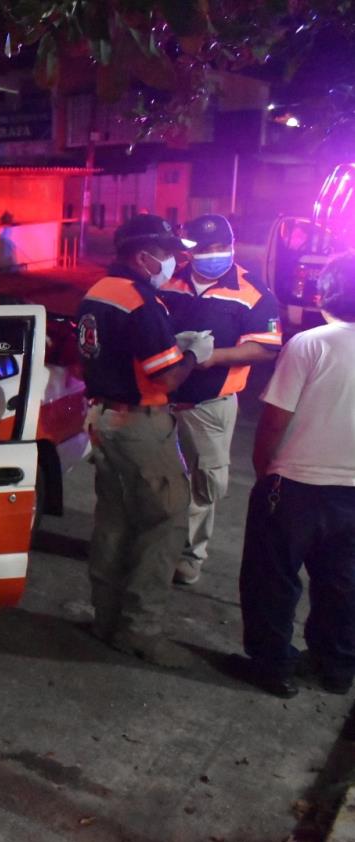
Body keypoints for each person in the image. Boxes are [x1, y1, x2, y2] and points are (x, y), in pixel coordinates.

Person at [76, 214, 211, 668]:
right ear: (143, 256)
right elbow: (167, 376)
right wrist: (195, 353)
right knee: (164, 523)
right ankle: (140, 632)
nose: (174, 261)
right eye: (168, 253)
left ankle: (105, 620)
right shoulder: (140, 301)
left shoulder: (98, 291)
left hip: (103, 418)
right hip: (139, 425)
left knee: (114, 520)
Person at [232, 253, 355, 699]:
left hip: (297, 485)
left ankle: (273, 665)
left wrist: (265, 472)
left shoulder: (310, 344)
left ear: (325, 293)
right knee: (343, 583)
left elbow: (274, 420)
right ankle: (337, 667)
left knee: (273, 579)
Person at [159, 214, 282, 586]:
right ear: (190, 251)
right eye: (206, 249)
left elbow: (265, 350)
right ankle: (157, 546)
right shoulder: (169, 282)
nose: (215, 255)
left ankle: (189, 556)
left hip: (211, 405)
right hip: (159, 398)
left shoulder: (254, 291)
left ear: (232, 245)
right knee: (158, 479)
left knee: (205, 483)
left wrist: (213, 357)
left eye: (221, 248)